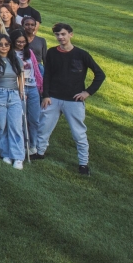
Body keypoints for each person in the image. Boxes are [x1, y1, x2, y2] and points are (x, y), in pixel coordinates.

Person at [37, 23, 106, 174]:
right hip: (53, 98)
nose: (60, 37)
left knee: (78, 133)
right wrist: (46, 95)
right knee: (43, 127)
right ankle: (39, 152)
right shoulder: (52, 52)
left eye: (63, 34)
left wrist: (87, 93)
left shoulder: (82, 54)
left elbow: (100, 75)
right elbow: (47, 75)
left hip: (73, 100)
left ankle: (83, 163)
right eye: (57, 35)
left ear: (70, 34)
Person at [0, 33, 25, 169]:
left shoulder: (16, 60)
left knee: (15, 126)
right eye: (0, 44)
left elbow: (20, 77)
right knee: (1, 126)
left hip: (14, 95)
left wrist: (21, 92)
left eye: (6, 44)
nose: (3, 47)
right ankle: (5, 153)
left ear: (10, 46)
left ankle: (18, 156)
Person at [10, 29, 43, 157]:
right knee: (21, 118)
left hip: (33, 87)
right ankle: (22, 144)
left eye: (23, 42)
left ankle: (33, 145)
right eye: (18, 42)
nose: (21, 44)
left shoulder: (29, 52)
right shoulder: (10, 53)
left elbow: (36, 69)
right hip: (19, 88)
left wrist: (40, 86)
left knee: (34, 118)